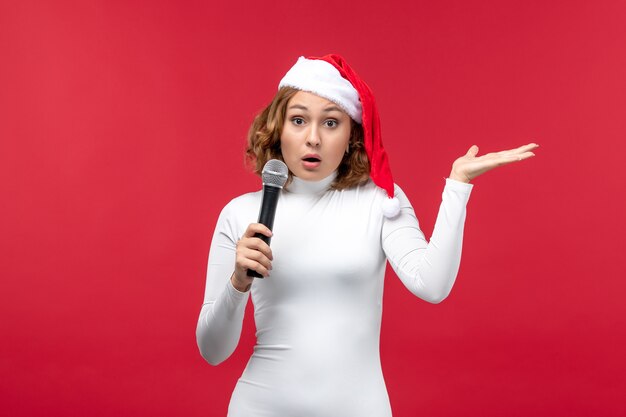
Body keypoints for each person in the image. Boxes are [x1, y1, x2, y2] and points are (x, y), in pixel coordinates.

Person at [196, 54, 538, 416]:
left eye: (330, 122)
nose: (313, 138)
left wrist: (457, 187)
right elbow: (212, 350)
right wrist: (237, 284)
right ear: (278, 129)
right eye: (298, 120)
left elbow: (432, 285)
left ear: (351, 137)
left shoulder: (380, 202)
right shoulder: (239, 213)